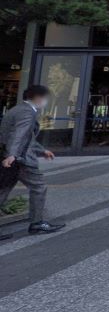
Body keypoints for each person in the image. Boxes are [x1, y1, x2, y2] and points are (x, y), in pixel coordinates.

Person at [0, 85, 65, 237]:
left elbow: (24, 136)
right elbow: (20, 134)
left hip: (8, 156)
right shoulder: (27, 112)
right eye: (45, 98)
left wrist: (42, 151)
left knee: (3, 189)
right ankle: (37, 223)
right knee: (39, 187)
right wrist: (13, 155)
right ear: (37, 97)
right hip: (21, 159)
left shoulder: (16, 109)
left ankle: (37, 223)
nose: (46, 101)